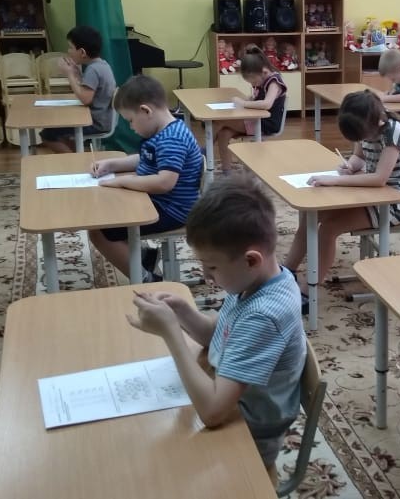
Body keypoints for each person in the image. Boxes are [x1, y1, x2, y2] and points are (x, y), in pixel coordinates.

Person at [126, 175, 305, 487]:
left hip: (248, 434)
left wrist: (171, 333)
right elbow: (218, 336)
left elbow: (212, 413)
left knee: (148, 471)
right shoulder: (257, 281)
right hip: (234, 401)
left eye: (211, 267)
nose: (206, 276)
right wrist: (182, 312)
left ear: (251, 260)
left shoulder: (265, 314)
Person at [284, 90, 400, 292]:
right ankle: (287, 271)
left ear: (375, 123)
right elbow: (359, 157)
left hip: (392, 204)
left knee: (328, 229)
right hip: (370, 195)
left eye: (362, 136)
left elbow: (380, 179)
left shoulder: (393, 133)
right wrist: (351, 165)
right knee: (310, 215)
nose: (361, 139)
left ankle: (309, 290)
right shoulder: (365, 123)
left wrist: (336, 180)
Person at [88, 75, 202, 281]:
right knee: (106, 212)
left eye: (130, 121)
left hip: (172, 211)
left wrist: (123, 181)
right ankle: (144, 257)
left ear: (146, 111)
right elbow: (146, 159)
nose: (131, 127)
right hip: (160, 203)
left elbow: (164, 182)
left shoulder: (172, 139)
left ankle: (145, 279)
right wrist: (112, 165)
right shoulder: (163, 132)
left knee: (100, 231)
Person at [41, 25, 117, 153]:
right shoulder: (101, 65)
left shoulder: (93, 70)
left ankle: (75, 161)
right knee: (59, 131)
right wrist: (77, 74)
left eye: (71, 47)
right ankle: (76, 156)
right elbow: (90, 90)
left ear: (82, 52)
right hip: (101, 119)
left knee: (47, 134)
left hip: (95, 123)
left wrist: (69, 74)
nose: (68, 51)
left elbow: (85, 99)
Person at [213, 45, 287, 173]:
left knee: (221, 120)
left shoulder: (274, 82)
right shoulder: (262, 79)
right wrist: (248, 100)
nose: (253, 84)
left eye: (253, 81)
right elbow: (256, 98)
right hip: (255, 118)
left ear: (263, 72)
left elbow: (267, 104)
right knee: (223, 132)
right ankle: (226, 170)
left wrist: (243, 103)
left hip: (266, 123)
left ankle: (204, 150)